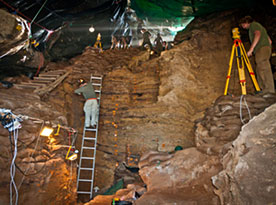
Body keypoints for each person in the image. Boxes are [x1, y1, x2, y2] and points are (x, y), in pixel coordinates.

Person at [239, 16, 275, 93]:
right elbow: (269, 41)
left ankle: (269, 90)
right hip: (266, 49)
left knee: (263, 68)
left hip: (261, 49)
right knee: (260, 68)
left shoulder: (253, 25)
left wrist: (251, 49)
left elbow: (257, 34)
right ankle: (262, 89)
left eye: (243, 25)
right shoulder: (260, 26)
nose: (243, 27)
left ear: (246, 22)